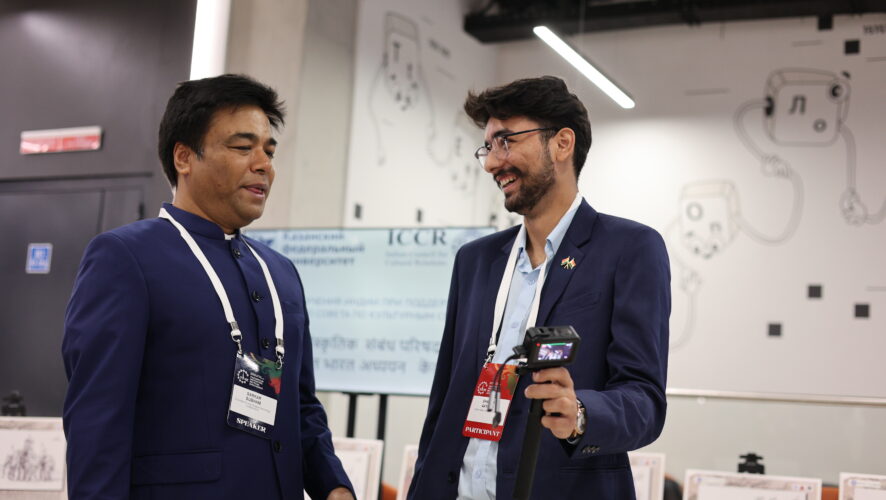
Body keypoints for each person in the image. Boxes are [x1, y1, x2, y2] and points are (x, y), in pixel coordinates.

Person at [62, 74, 354, 500]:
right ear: (184, 157)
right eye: (243, 148)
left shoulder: (281, 272)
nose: (264, 164)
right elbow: (97, 420)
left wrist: (334, 485)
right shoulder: (126, 258)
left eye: (269, 151)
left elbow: (300, 404)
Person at [407, 76, 670, 500]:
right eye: (487, 147)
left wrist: (580, 412)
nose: (492, 163)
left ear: (562, 144)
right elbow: (443, 403)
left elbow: (645, 400)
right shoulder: (475, 262)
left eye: (506, 141)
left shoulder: (629, 249)